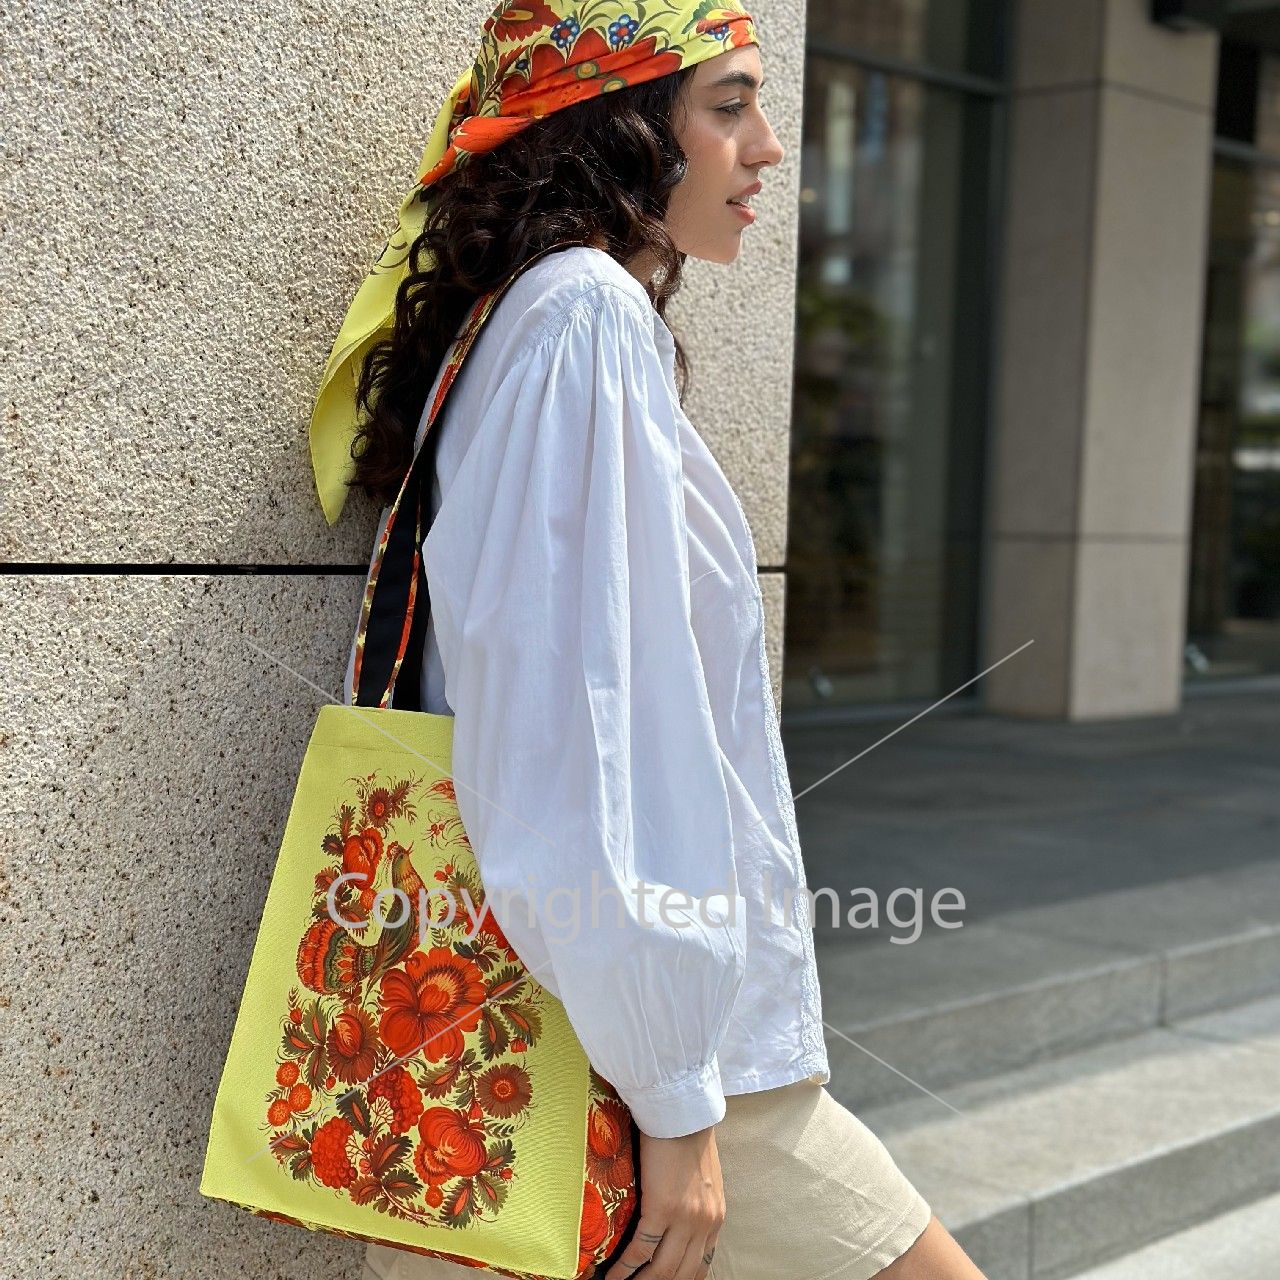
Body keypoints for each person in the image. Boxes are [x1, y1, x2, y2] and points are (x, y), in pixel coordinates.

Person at [311, 3, 989, 1278]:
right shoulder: (582, 314)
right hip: (632, 1053)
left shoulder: (526, 313)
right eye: (727, 107)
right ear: (617, 129)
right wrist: (674, 1099)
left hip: (545, 1024)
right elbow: (578, 726)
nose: (768, 146)